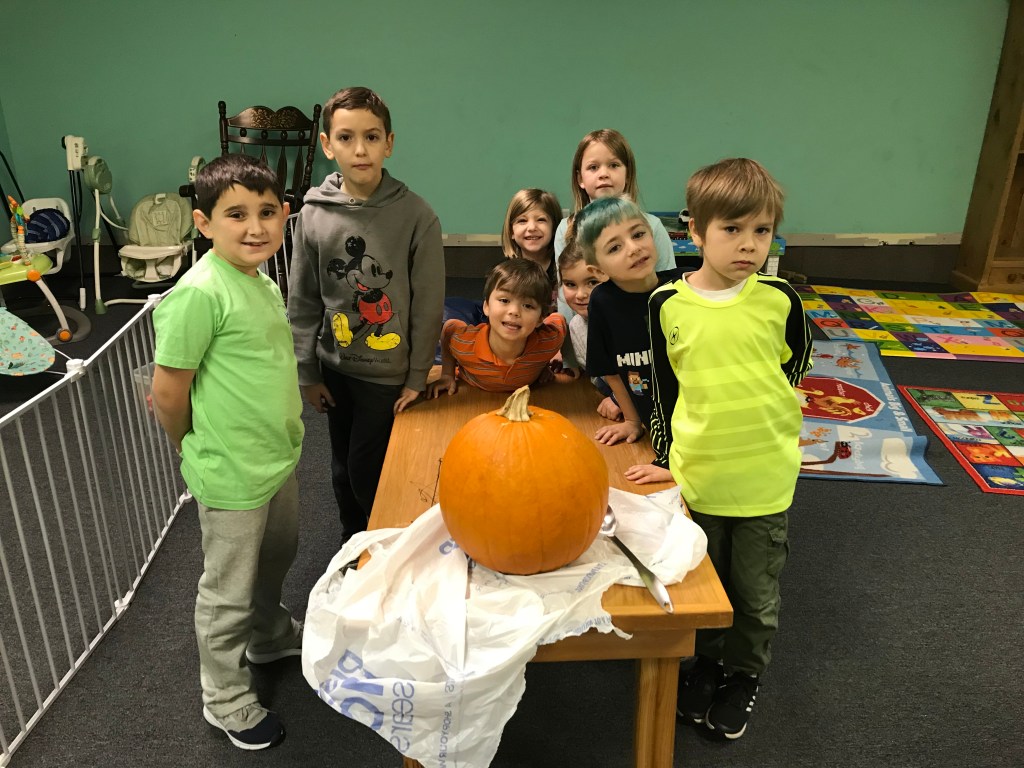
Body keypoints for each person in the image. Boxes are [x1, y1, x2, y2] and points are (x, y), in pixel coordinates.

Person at [647, 157, 812, 739]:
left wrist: (764, 413)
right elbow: (665, 389)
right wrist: (665, 457)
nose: (749, 245)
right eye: (732, 229)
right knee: (705, 584)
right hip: (701, 476)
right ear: (694, 231)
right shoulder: (666, 304)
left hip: (764, 479)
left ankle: (744, 673)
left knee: (755, 592)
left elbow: (794, 363)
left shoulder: (781, 299)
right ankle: (709, 663)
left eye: (762, 231)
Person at [151, 154, 304, 751]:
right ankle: (225, 697)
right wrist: (190, 446)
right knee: (228, 591)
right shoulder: (199, 293)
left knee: (277, 556)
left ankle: (269, 635)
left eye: (266, 212)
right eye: (236, 214)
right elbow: (168, 392)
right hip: (231, 474)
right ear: (203, 222)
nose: (255, 227)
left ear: (284, 215)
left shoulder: (261, 280)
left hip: (275, 459)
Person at [288, 86, 445, 544]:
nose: (360, 150)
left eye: (372, 137)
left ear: (388, 143)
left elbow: (428, 304)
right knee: (341, 468)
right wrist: (307, 372)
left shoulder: (416, 216)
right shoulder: (313, 215)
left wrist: (417, 375)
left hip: (386, 374)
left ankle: (386, 545)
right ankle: (352, 545)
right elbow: (303, 300)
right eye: (346, 137)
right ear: (327, 145)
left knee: (367, 469)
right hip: (335, 369)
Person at [574, 195, 680, 484]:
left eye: (638, 234)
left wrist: (677, 463)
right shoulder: (602, 302)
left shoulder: (684, 288)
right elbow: (611, 370)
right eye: (615, 247)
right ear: (598, 271)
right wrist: (633, 421)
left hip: (697, 434)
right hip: (655, 433)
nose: (634, 248)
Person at [554, 128, 676, 323]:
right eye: (593, 167)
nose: (604, 174)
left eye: (613, 165)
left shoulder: (652, 226)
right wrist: (566, 333)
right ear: (580, 179)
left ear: (628, 174)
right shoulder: (566, 228)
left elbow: (667, 285)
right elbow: (565, 290)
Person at [429, 259, 567, 396]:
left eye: (528, 305)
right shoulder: (465, 343)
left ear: (540, 318)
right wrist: (447, 374)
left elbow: (559, 319)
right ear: (486, 306)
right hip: (472, 395)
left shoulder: (549, 340)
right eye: (504, 300)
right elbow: (450, 328)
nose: (514, 311)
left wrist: (547, 361)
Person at [556, 225, 619, 421]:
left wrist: (619, 400)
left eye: (592, 282)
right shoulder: (577, 326)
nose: (581, 294)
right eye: (570, 284)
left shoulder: (629, 321)